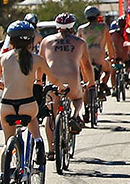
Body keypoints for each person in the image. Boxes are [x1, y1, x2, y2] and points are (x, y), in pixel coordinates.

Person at [0, 20, 58, 184]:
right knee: (33, 118)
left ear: (10, 41)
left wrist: (6, 85)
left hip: (6, 106)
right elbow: (53, 79)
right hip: (27, 104)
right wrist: (61, 87)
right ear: (31, 42)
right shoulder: (37, 59)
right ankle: (38, 141)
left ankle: (4, 177)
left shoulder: (3, 58)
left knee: (8, 144)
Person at [40, 12, 94, 144]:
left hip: (52, 80)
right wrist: (91, 82)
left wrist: (38, 82)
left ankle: (52, 151)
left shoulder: (46, 41)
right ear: (72, 26)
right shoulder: (80, 43)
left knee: (52, 115)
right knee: (77, 97)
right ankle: (75, 116)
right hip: (72, 79)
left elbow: (40, 64)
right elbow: (86, 65)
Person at [78, 5, 115, 90]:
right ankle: (102, 86)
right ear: (98, 16)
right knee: (108, 70)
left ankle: (86, 100)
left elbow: (78, 45)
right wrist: (112, 57)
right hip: (100, 59)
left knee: (86, 83)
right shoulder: (104, 27)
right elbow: (109, 44)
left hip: (86, 60)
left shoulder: (81, 29)